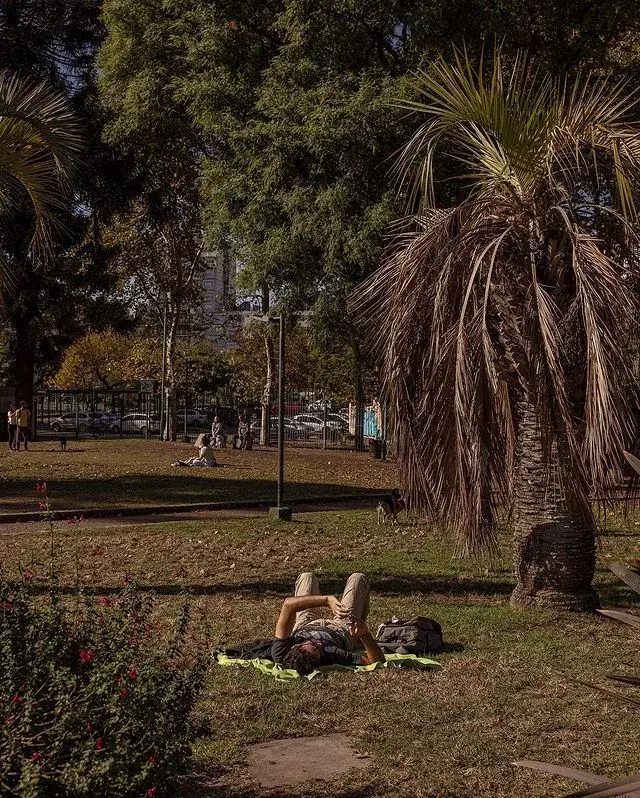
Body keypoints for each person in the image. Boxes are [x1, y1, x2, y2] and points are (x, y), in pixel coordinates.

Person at [271, 572, 385, 676]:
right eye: (319, 651)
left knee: (307, 577)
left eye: (315, 645)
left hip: (306, 624)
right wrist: (365, 635)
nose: (321, 645)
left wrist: (327, 600)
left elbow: (288, 605)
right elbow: (376, 661)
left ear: (296, 646)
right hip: (341, 629)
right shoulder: (331, 653)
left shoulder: (281, 652)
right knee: (358, 578)